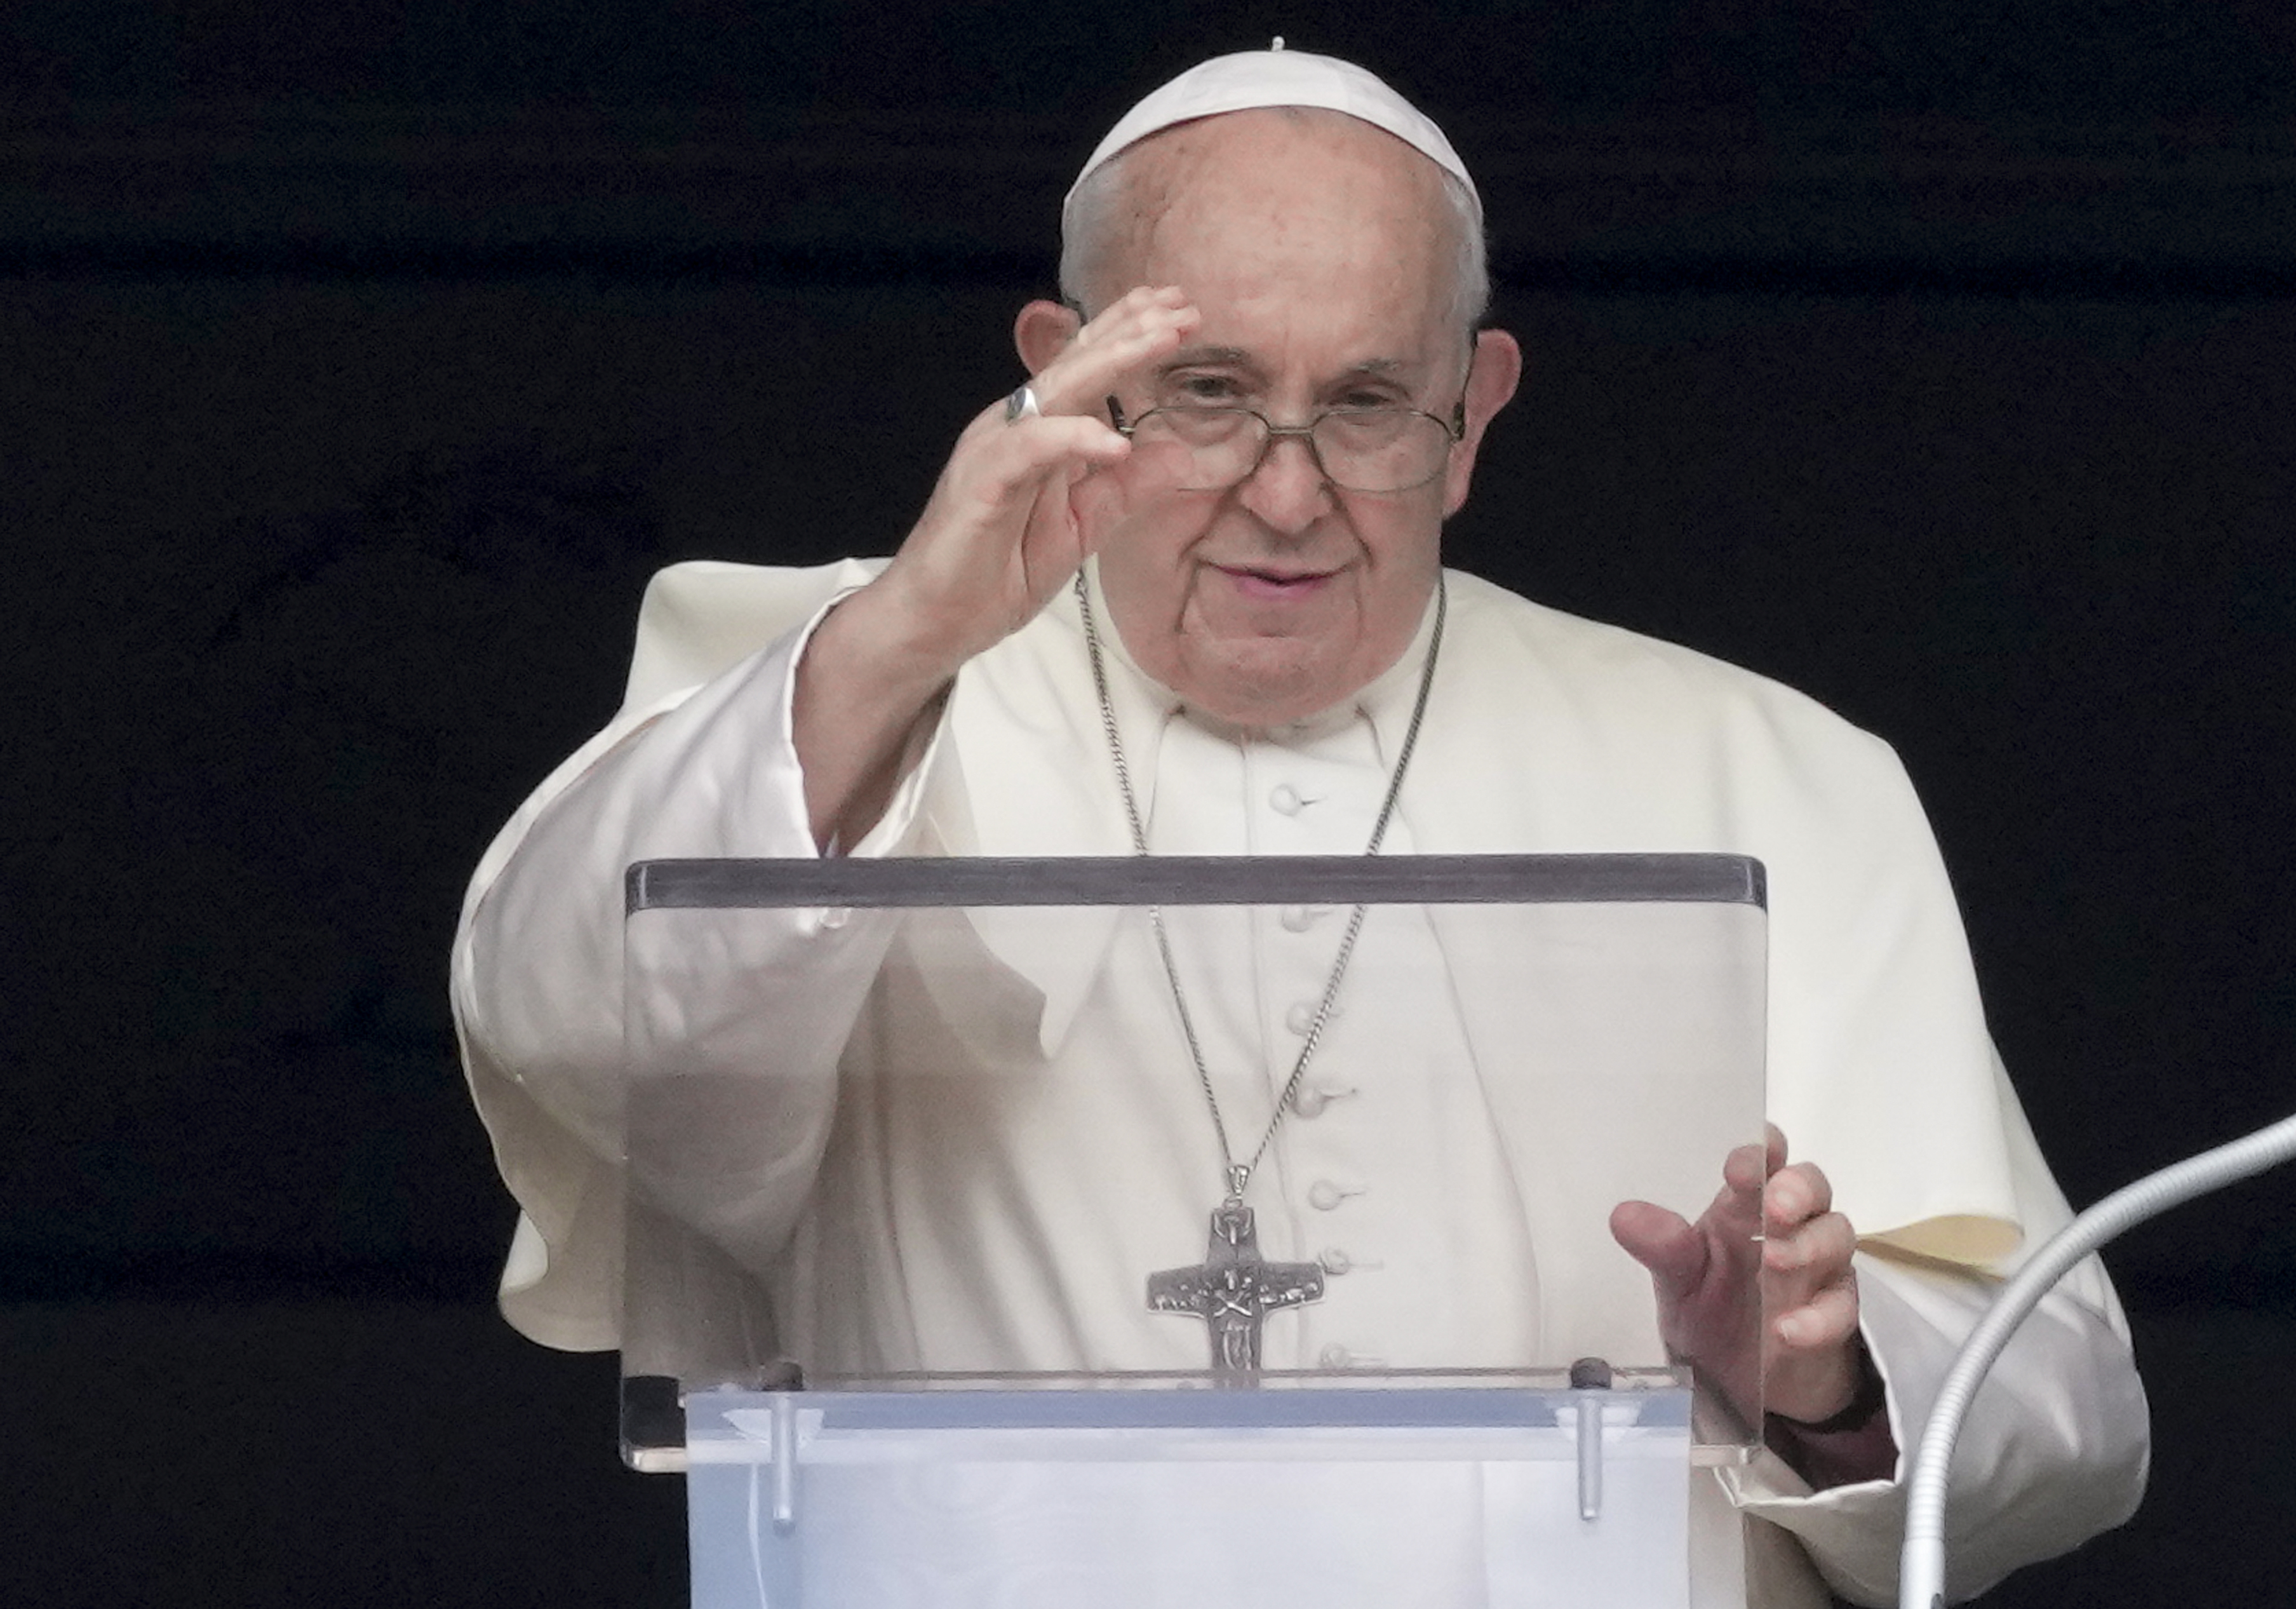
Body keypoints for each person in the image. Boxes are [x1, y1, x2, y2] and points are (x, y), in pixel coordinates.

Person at [453, 47, 2147, 1608]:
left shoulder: (1766, 770)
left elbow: (2062, 1421)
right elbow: (576, 1030)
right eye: (1203, 389)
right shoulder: (842, 692)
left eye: (1363, 404)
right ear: (1062, 376)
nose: (1285, 490)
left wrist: (1827, 1376)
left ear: (1473, 414)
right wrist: (904, 634)